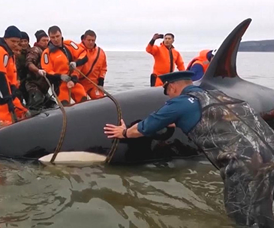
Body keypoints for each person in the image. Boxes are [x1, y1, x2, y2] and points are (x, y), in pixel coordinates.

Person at [104, 71, 274, 227]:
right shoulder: (217, 95)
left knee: (244, 218)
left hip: (247, 166)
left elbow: (145, 128)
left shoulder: (180, 102)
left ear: (172, 86)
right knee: (265, 212)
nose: (168, 97)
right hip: (270, 153)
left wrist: (124, 132)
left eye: (167, 92)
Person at [0, 26, 28, 124]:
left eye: (17, 42)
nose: (15, 44)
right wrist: (8, 98)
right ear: (5, 39)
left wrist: (14, 90)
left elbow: (10, 76)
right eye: (13, 41)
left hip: (7, 87)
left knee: (21, 112)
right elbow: (1, 77)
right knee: (7, 118)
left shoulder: (9, 54)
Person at [41, 26, 88, 105]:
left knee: (83, 100)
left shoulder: (70, 44)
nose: (56, 39)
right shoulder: (47, 53)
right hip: (60, 85)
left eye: (57, 36)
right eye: (53, 37)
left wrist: (76, 63)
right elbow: (47, 71)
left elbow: (84, 55)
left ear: (61, 35)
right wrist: (60, 76)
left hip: (73, 81)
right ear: (49, 38)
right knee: (65, 106)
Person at [25, 30, 56, 109]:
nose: (46, 42)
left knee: (53, 105)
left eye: (47, 40)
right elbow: (29, 63)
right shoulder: (35, 50)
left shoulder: (48, 52)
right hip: (34, 86)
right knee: (35, 107)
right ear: (38, 41)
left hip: (43, 88)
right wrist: (38, 71)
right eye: (43, 40)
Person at [78, 30, 107, 99]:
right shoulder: (77, 50)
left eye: (93, 40)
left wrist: (101, 82)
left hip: (93, 84)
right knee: (82, 101)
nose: (91, 42)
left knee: (100, 100)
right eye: (89, 40)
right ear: (84, 39)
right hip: (79, 84)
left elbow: (103, 68)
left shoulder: (100, 53)